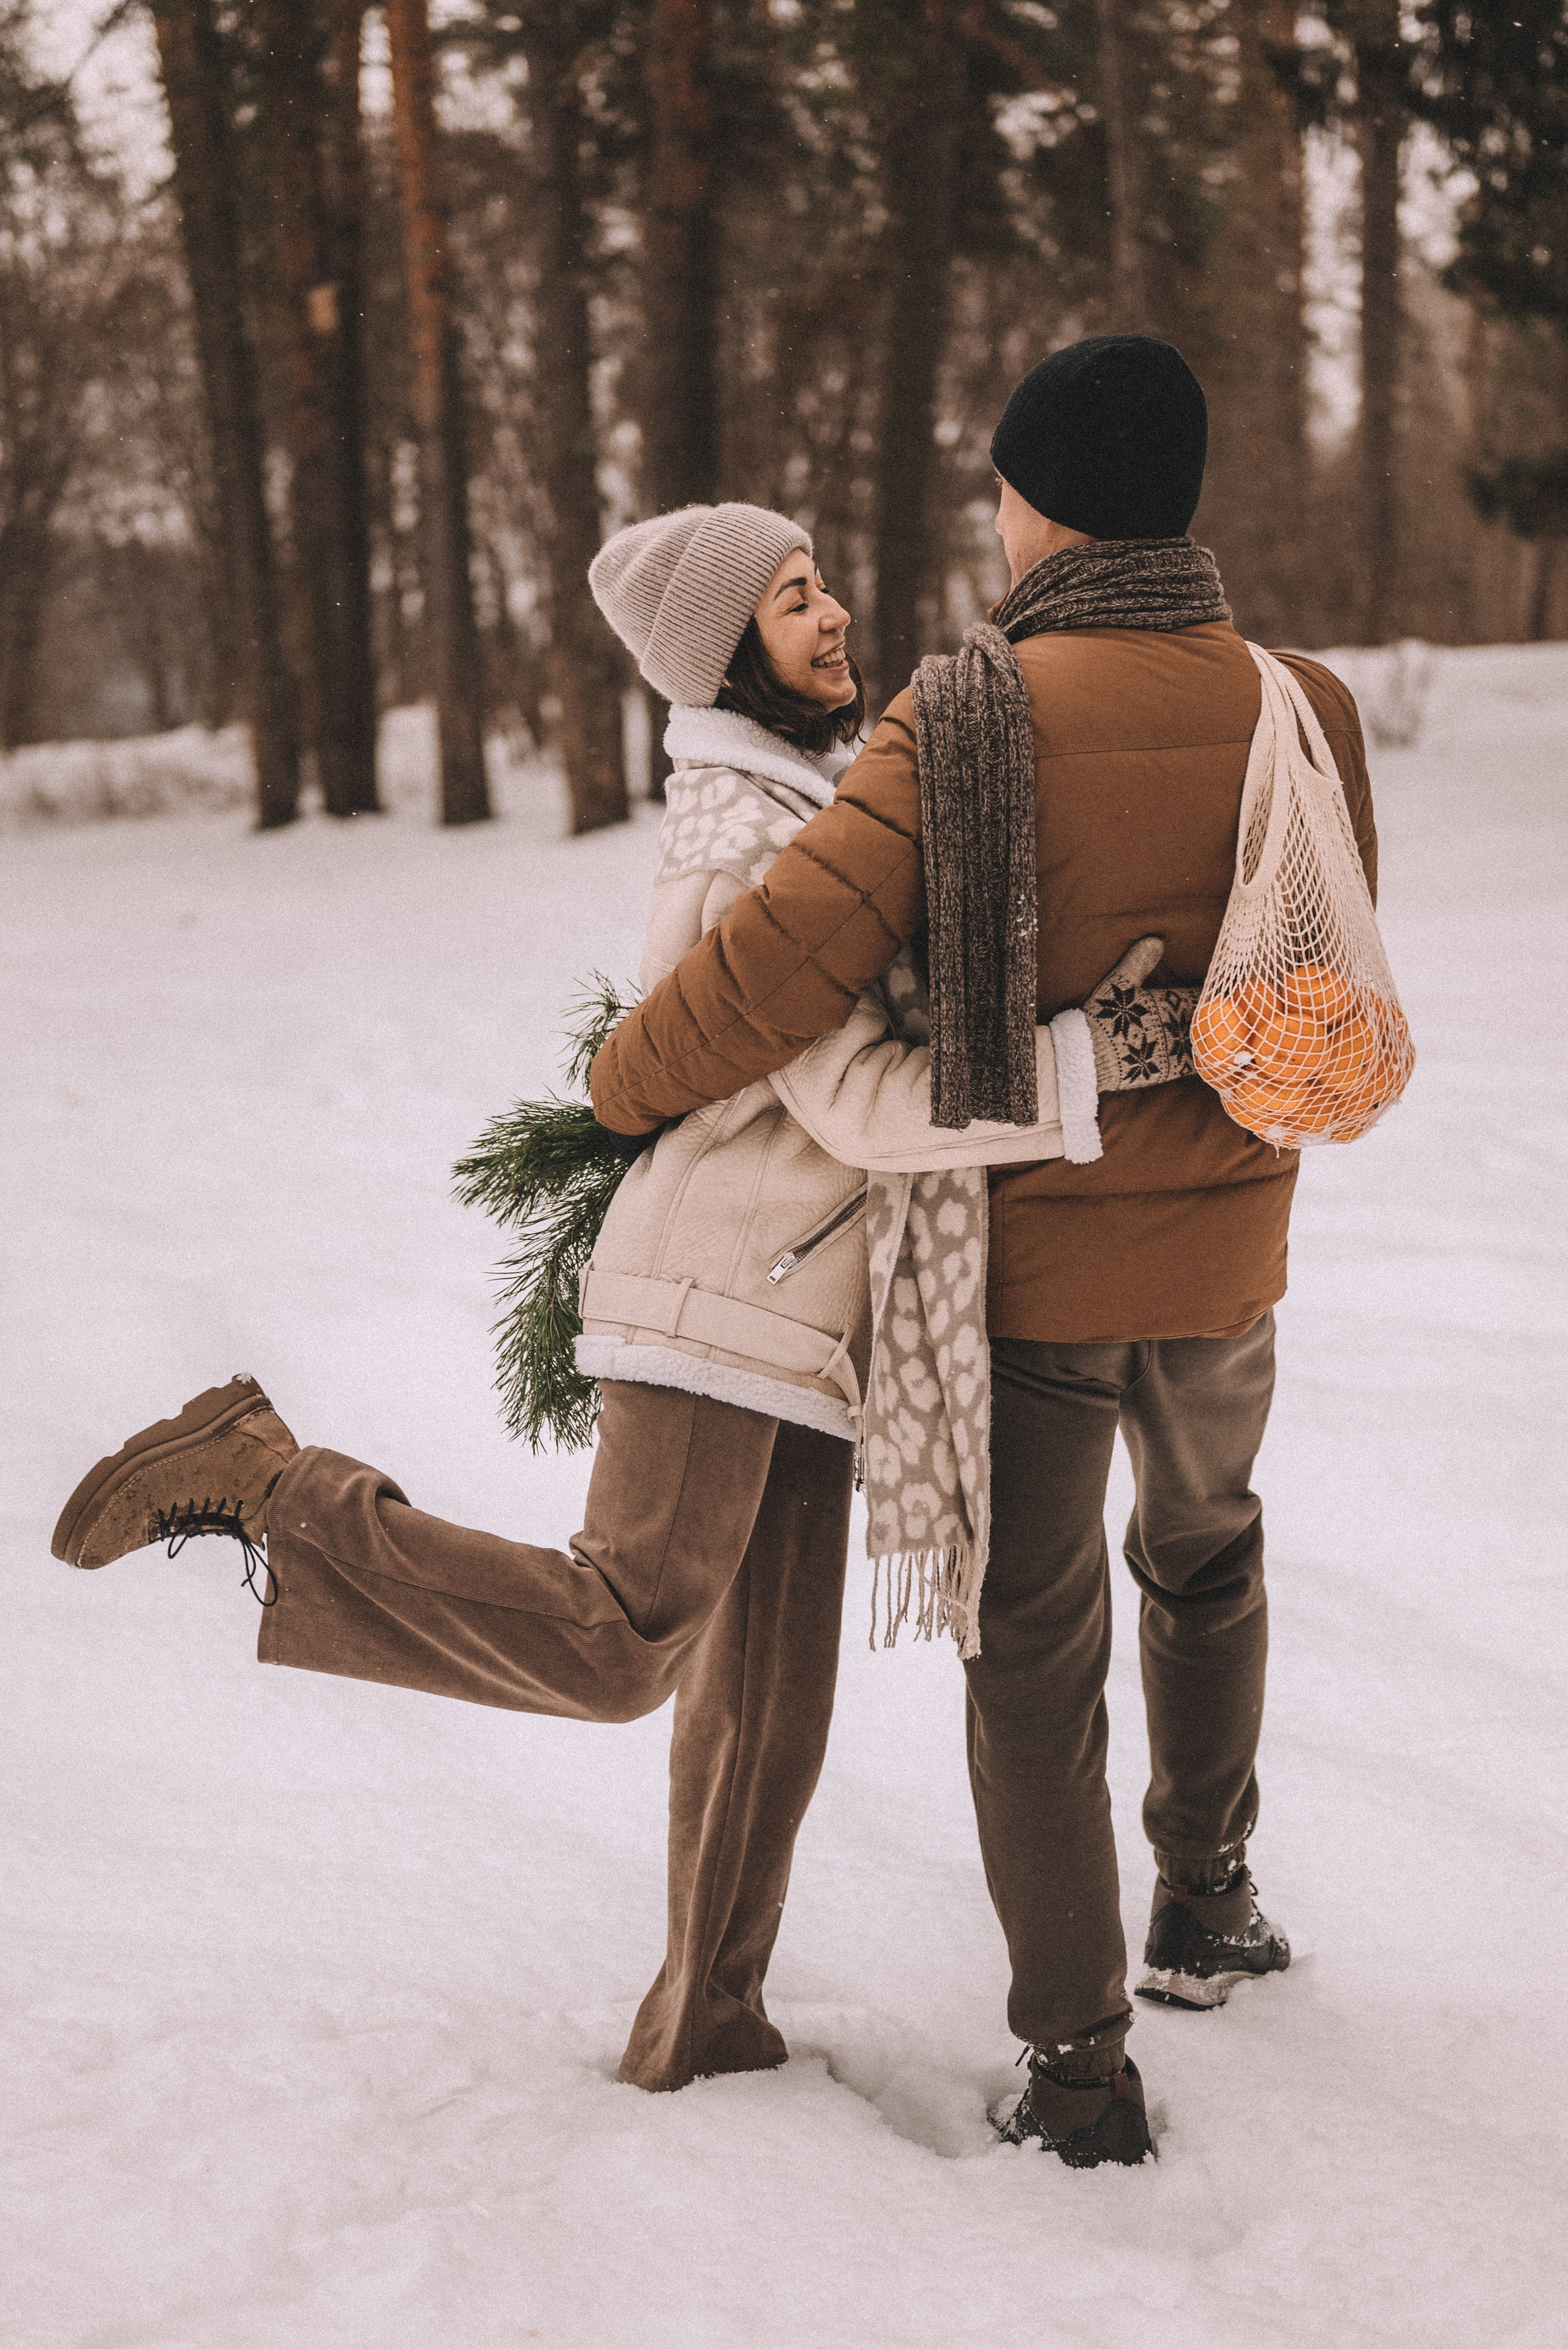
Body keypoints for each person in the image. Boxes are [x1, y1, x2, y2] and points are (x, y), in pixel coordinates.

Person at [50, 499, 1194, 2098]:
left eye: (821, 584)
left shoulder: (811, 803)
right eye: (790, 600)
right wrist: (1088, 1065)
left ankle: (706, 2024)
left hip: (805, 1314)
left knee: (769, 1703)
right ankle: (269, 1486)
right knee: (621, 1638)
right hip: (724, 1294)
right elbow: (860, 1101)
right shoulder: (752, 847)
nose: (832, 615)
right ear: (727, 652)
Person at [587, 337, 1379, 2167]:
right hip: (1230, 1241)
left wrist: (621, 1086)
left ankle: (1081, 2061)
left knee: (1034, 1642)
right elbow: (1315, 971)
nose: (996, 520)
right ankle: (1209, 1893)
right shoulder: (1307, 706)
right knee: (1210, 1551)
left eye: (1006, 489)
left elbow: (776, 965)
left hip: (1036, 1273)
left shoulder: (963, 719)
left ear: (1049, 504)